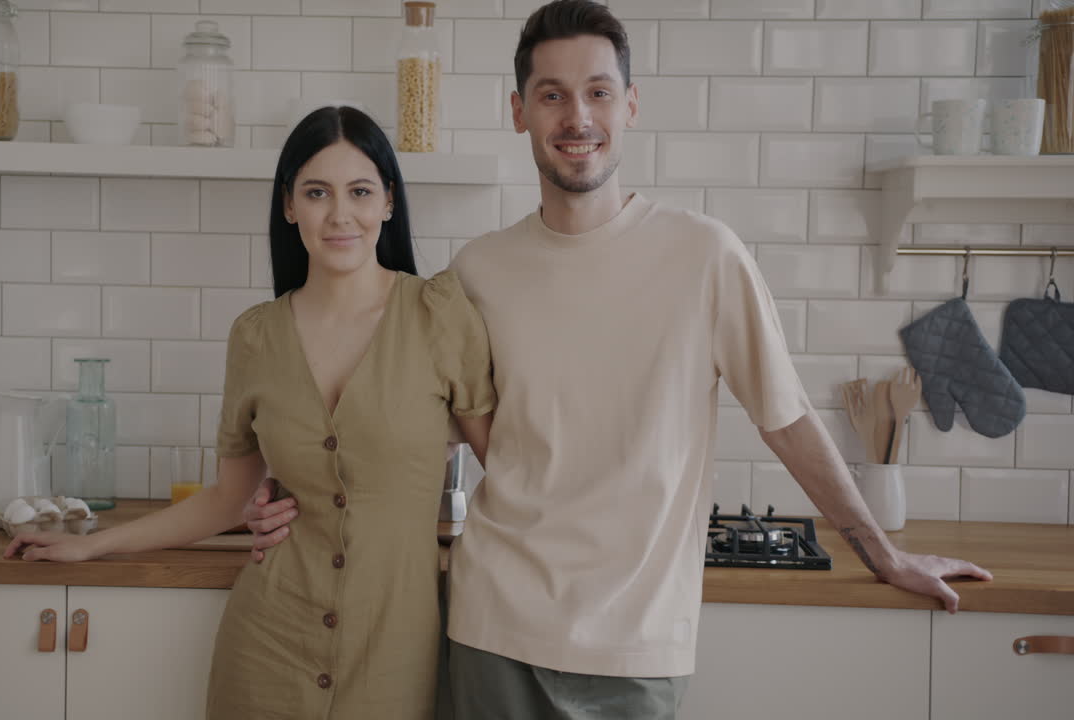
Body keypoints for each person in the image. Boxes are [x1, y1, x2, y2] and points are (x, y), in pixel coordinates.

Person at [243, 2, 993, 718]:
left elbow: (787, 420)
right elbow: (394, 418)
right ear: (518, 112)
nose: (577, 117)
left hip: (635, 649)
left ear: (630, 105)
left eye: (598, 92)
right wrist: (284, 487)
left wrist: (883, 552)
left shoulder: (704, 255)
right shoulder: (477, 272)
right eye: (552, 95)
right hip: (489, 631)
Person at [3, 105, 495, 720]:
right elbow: (229, 499)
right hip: (269, 642)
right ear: (289, 205)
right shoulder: (256, 336)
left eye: (360, 191)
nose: (340, 214)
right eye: (317, 192)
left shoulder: (440, 315)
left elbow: (506, 470)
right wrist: (94, 546)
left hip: (395, 649)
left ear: (389, 203)